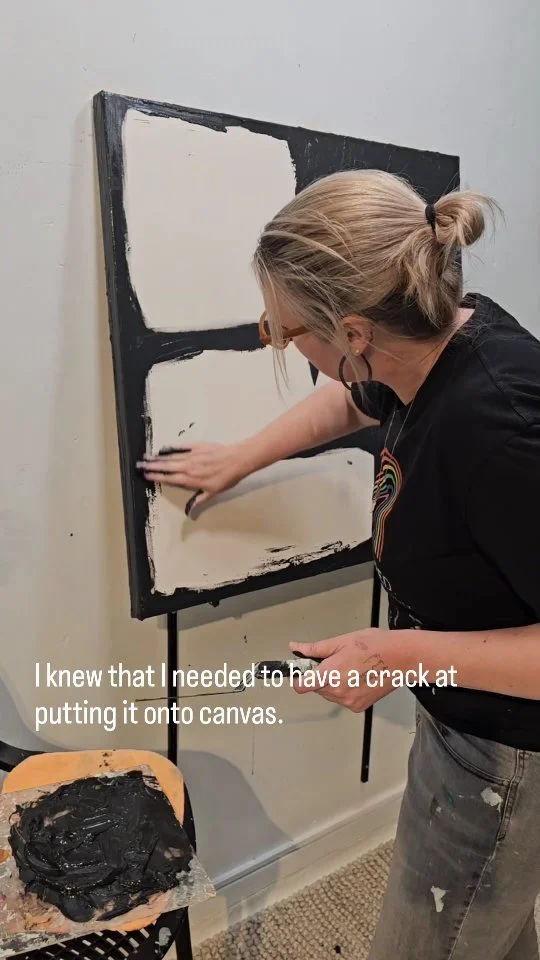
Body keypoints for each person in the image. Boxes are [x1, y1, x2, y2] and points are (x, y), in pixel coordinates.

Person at [141, 169, 540, 959]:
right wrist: (243, 458)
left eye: (286, 332)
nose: (282, 343)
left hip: (508, 754)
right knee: (492, 933)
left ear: (354, 333)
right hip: (460, 716)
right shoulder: (426, 345)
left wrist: (396, 654)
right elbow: (355, 399)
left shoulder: (497, 424)